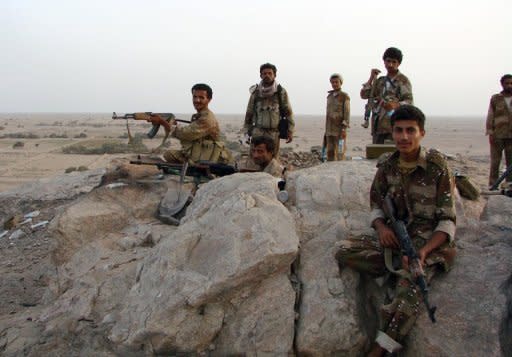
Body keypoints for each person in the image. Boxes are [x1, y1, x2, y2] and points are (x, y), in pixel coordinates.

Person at [336, 105, 456, 356]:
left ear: (421, 133)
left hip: (427, 241)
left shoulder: (437, 167)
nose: (404, 137)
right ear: (391, 132)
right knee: (343, 250)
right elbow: (376, 203)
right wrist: (380, 228)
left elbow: (447, 221)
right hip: (395, 238)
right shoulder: (387, 166)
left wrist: (423, 251)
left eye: (410, 131)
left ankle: (380, 349)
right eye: (399, 131)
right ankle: (393, 268)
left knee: (410, 292)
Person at [163, 83, 232, 164]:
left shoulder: (207, 118)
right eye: (195, 97)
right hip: (199, 153)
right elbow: (191, 131)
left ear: (209, 100)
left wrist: (165, 124)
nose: (197, 100)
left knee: (169, 156)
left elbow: (187, 134)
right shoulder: (200, 115)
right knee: (169, 155)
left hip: (209, 159)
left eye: (201, 97)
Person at [360, 47, 413, 144]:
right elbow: (364, 95)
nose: (390, 64)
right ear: (384, 61)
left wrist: (396, 105)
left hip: (394, 127)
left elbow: (409, 102)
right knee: (376, 156)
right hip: (378, 127)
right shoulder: (380, 81)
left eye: (394, 62)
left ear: (399, 63)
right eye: (388, 61)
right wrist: (371, 78)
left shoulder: (403, 81)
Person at [244, 63, 294, 158]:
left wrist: (290, 130)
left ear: (274, 75)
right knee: (255, 158)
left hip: (273, 133)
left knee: (272, 159)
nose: (267, 75)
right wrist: (247, 131)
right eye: (264, 73)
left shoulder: (280, 92)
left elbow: (288, 112)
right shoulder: (256, 92)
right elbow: (249, 112)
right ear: (261, 75)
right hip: (258, 131)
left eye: (270, 73)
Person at [485, 74, 512, 188]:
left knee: (510, 163)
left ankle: (509, 184)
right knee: (495, 162)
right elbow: (491, 115)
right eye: (507, 83)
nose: (509, 86)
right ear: (502, 84)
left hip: (511, 136)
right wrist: (490, 131)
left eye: (511, 83)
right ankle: (493, 184)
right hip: (497, 135)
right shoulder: (496, 98)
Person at [324, 73, 350, 161]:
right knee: (330, 154)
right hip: (329, 130)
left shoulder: (344, 96)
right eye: (332, 82)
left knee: (340, 155)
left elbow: (347, 114)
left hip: (339, 131)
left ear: (340, 83)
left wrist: (344, 129)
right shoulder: (329, 96)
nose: (334, 84)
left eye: (336, 82)